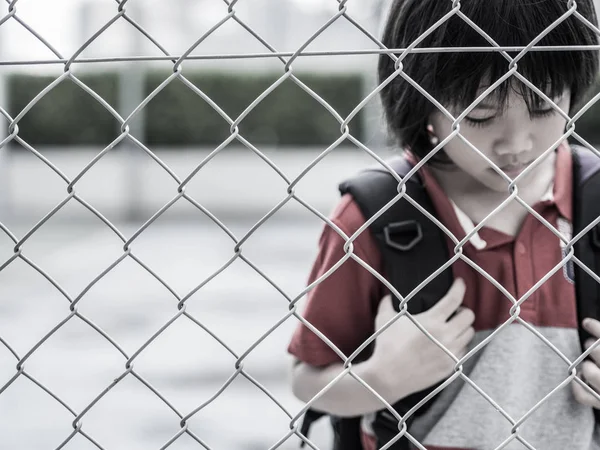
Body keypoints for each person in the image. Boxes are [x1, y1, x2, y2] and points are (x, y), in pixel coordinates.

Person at [287, 0, 600, 449]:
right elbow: (306, 378)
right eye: (480, 115)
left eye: (545, 106)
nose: (517, 143)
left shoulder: (594, 203)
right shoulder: (378, 217)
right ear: (421, 101)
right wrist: (380, 378)